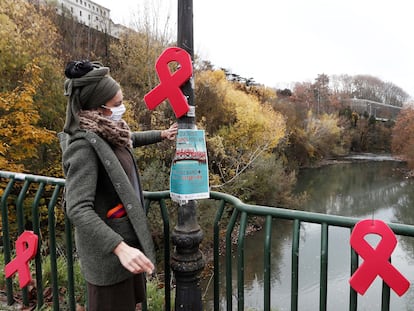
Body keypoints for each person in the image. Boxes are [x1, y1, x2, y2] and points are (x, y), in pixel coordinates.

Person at [59, 60, 178, 311]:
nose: (122, 109)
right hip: (110, 255)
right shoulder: (83, 146)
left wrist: (161, 134)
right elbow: (77, 208)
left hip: (126, 248)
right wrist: (120, 248)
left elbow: (127, 140)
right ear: (98, 108)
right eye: (116, 105)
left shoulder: (107, 131)